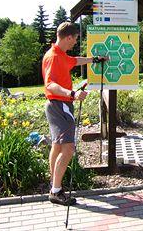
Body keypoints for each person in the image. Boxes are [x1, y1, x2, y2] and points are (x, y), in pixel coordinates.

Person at [42, 22, 106, 205]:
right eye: (75, 39)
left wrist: (93, 59)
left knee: (57, 146)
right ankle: (56, 191)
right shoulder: (54, 57)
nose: (75, 42)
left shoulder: (59, 54)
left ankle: (54, 185)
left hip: (57, 105)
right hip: (60, 105)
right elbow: (50, 84)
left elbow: (75, 60)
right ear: (68, 37)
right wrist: (72, 94)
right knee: (68, 148)